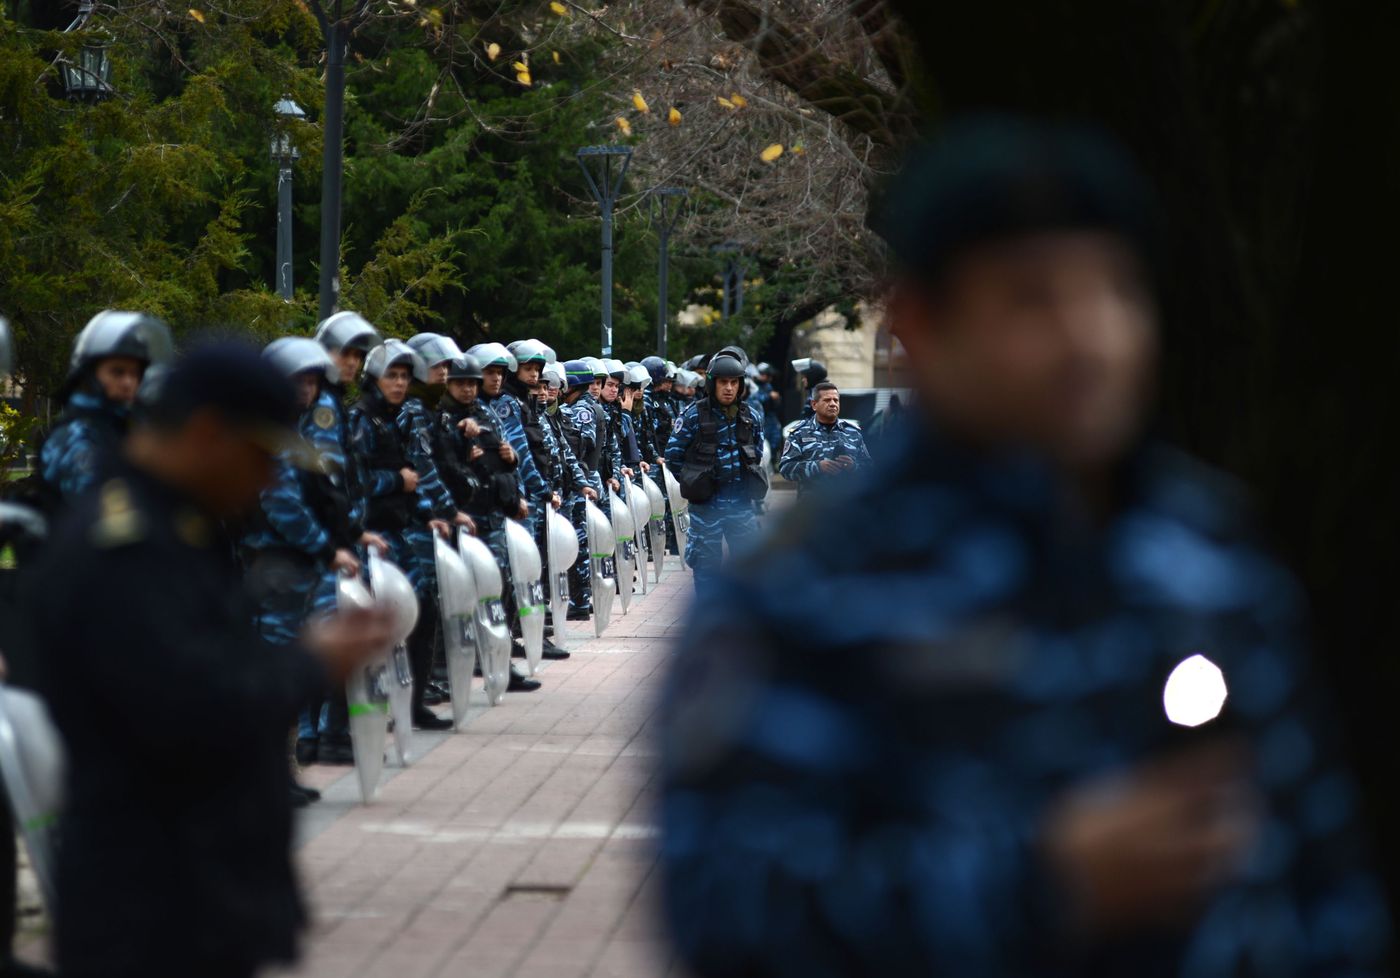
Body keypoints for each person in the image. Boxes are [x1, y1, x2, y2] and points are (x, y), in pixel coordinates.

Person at [659, 118, 1390, 976]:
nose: (1091, 339)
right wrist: (1040, 883)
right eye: (1032, 299)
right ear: (923, 326)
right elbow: (731, 918)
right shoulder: (811, 585)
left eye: (1118, 291)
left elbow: (1327, 874)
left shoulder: (1211, 552)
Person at [29, 343, 391, 978]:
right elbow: (191, 706)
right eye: (258, 458)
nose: (267, 480)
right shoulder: (127, 547)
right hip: (151, 909)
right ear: (205, 433)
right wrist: (312, 663)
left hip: (197, 899)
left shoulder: (175, 529)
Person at [241, 338, 360, 807]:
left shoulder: (294, 433)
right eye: (298, 381)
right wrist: (327, 548)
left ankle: (280, 773)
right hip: (273, 569)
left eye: (312, 381)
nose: (307, 390)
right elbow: (281, 503)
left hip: (296, 569)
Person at [348, 340, 456, 730]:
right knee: (374, 624)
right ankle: (362, 715)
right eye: (390, 376)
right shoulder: (361, 419)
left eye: (404, 377)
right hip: (368, 535)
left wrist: (428, 514)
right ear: (374, 379)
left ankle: (412, 705)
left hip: (397, 530)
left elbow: (414, 478)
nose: (398, 383)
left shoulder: (395, 418)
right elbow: (355, 482)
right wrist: (397, 481)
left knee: (422, 611)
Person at [305, 311, 388, 765]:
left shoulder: (333, 402)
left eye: (358, 355)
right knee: (330, 637)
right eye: (345, 353)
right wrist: (343, 537)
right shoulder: (322, 406)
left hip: (337, 536)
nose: (352, 363)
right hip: (326, 542)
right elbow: (327, 482)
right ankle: (326, 737)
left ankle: (318, 736)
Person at [435, 354, 541, 693]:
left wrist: (513, 459)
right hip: (459, 515)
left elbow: (502, 458)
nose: (471, 388)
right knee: (452, 594)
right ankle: (441, 670)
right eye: (463, 382)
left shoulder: (486, 413)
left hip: (490, 513)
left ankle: (499, 663)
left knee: (499, 587)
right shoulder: (441, 418)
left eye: (474, 382)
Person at [37, 311, 173, 510]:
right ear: (89, 373)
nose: (128, 382)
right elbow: (106, 508)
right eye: (117, 371)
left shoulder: (127, 427)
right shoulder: (72, 437)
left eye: (135, 373)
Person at [664, 347, 767, 588]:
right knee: (706, 567)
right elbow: (673, 456)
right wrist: (695, 482)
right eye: (723, 382)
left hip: (741, 505)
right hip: (706, 507)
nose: (729, 388)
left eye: (734, 382)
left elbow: (757, 453)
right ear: (713, 384)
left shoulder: (750, 416)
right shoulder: (693, 415)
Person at [776, 381, 871, 495]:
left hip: (847, 506)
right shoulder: (800, 433)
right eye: (827, 400)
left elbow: (869, 469)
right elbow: (786, 469)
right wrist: (817, 467)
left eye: (836, 400)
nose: (832, 404)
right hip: (812, 507)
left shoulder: (853, 432)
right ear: (814, 405)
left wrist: (853, 466)